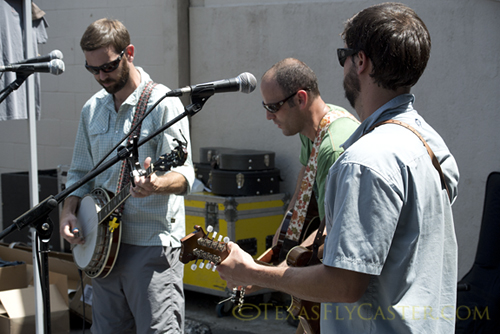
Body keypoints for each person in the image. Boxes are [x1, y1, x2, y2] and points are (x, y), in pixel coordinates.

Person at [217, 3, 460, 334]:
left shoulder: (364, 161)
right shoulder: (429, 142)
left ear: (360, 61)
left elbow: (344, 285)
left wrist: (253, 273)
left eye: (342, 56)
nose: (342, 66)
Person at [59, 18, 194, 333]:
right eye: (92, 70)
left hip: (151, 247)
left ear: (128, 53)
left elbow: (185, 175)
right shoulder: (91, 109)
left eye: (107, 67)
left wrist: (156, 184)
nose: (101, 76)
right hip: (102, 250)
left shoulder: (163, 103)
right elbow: (80, 172)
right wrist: (68, 211)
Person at [260, 58, 359, 256]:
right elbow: (306, 171)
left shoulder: (332, 150)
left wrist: (283, 270)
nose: (268, 117)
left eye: (273, 108)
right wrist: (287, 225)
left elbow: (333, 232)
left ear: (300, 99)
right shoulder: (312, 127)